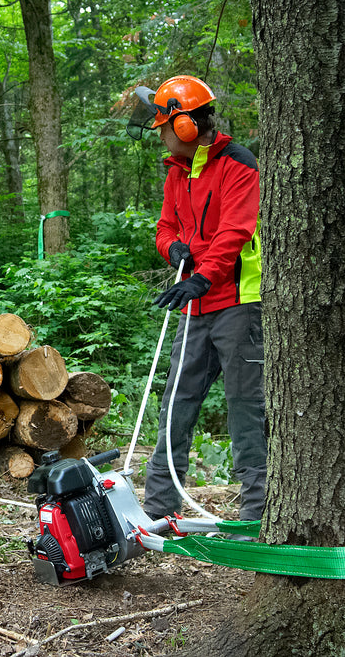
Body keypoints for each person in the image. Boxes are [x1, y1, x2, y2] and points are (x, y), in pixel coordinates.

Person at [126, 75, 267, 522]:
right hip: (195, 305)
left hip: (238, 304)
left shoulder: (238, 165)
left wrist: (201, 278)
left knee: (246, 408)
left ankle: (254, 515)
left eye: (165, 126)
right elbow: (165, 228)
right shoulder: (176, 171)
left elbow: (235, 232)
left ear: (186, 126)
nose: (161, 135)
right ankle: (160, 510)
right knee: (176, 405)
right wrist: (175, 251)